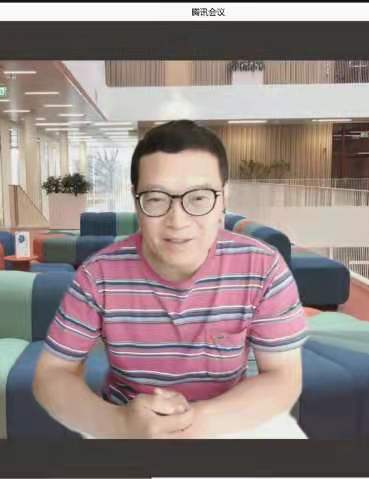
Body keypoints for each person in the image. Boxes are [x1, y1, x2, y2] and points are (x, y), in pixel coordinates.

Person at [32, 120, 308, 439]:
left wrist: (192, 425)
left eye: (199, 198)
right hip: (129, 429)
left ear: (223, 199)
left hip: (228, 421)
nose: (177, 221)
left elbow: (283, 376)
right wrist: (118, 425)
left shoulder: (263, 267)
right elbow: (51, 375)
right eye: (156, 198)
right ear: (136, 201)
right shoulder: (98, 275)